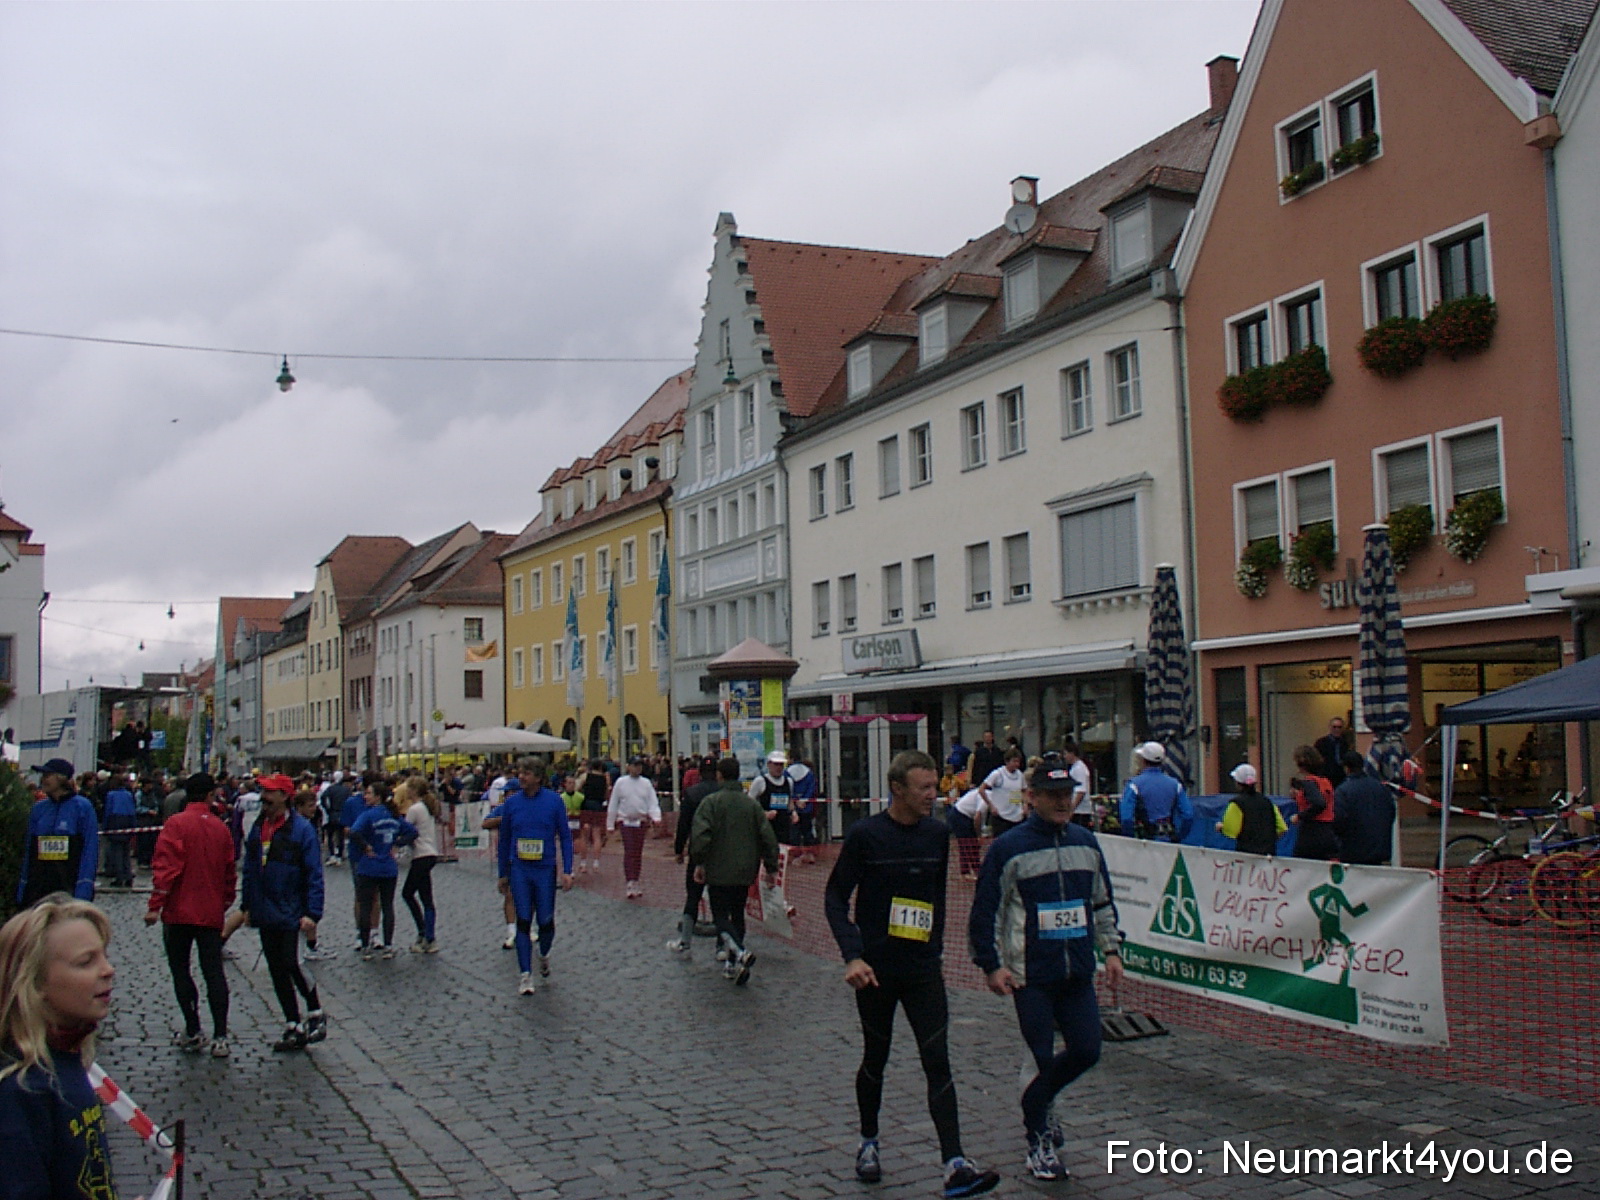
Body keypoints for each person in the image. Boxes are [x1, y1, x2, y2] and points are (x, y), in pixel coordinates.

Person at [823, 749, 999, 1199]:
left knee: (937, 1060)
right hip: (875, 972)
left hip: (922, 969)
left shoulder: (937, 835)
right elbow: (834, 898)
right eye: (924, 787)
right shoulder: (865, 835)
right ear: (897, 789)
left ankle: (954, 1163)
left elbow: (935, 898)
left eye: (935, 785)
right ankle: (868, 1142)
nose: (934, 795)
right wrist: (852, 955)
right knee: (875, 1059)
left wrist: (936, 945)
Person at [969, 754, 1124, 1182]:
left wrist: (1111, 951)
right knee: (1039, 1055)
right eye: (1053, 795)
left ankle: (1041, 1098)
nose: (1062, 803)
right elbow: (987, 911)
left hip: (1077, 970)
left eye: (1068, 795)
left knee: (1087, 1050)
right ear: (1031, 797)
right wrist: (991, 964)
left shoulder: (1085, 842)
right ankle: (1036, 1136)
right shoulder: (1008, 848)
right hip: (1030, 975)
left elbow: (1100, 901)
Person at [0, 896, 121, 1200]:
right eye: (86, 962)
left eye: (104, 956)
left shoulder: (67, 1060)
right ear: (35, 984)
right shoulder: (19, 1090)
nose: (108, 970)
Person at [145, 772, 235, 1059]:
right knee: (213, 972)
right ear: (210, 795)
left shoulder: (177, 824)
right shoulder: (221, 828)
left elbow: (166, 867)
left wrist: (155, 905)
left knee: (181, 970)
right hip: (209, 911)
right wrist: (224, 902)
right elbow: (229, 872)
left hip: (178, 911)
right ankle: (221, 1034)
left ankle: (194, 1028)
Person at [240, 774, 327, 1052]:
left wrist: (312, 912)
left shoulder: (301, 830)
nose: (263, 796)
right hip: (266, 908)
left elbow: (314, 872)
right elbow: (251, 868)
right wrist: (248, 905)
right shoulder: (259, 827)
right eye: (263, 791)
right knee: (276, 968)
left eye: (269, 791)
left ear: (283, 796)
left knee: (291, 963)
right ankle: (292, 1022)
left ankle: (314, 1011)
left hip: (291, 907)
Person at [688, 758, 779, 986]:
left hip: (718, 870)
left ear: (719, 775)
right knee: (738, 914)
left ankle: (739, 951)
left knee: (720, 916)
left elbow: (700, 837)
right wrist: (771, 866)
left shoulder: (711, 803)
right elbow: (768, 837)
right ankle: (731, 964)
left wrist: (699, 863)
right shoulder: (751, 805)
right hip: (745, 869)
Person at [495, 759, 574, 996]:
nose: (522, 777)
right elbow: (505, 839)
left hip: (545, 868)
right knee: (523, 919)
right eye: (520, 772)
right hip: (520, 868)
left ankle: (543, 953)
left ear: (539, 777)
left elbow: (566, 837)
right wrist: (502, 874)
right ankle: (525, 974)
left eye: (527, 773)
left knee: (546, 921)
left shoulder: (554, 801)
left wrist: (567, 870)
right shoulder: (512, 804)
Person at [347, 782, 419, 959]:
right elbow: (412, 832)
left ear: (377, 796)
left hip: (369, 866)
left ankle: (365, 945)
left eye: (369, 793)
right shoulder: (394, 816)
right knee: (388, 906)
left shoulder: (369, 815)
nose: (365, 796)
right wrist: (397, 844)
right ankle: (388, 945)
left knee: (365, 905)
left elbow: (353, 832)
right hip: (388, 867)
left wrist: (366, 846)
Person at [17, 759, 100, 910]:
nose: (43, 780)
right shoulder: (39, 809)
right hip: (39, 890)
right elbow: (29, 851)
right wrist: (23, 889)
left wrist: (84, 890)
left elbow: (89, 851)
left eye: (48, 775)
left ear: (62, 778)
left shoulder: (82, 807)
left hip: (68, 888)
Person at [667, 762, 721, 956]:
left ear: (699, 773)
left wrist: (679, 849)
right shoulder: (723, 793)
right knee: (720, 899)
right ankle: (721, 946)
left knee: (693, 895)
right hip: (720, 853)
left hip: (698, 851)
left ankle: (685, 941)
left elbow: (684, 824)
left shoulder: (691, 794)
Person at [606, 757, 661, 899]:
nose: (637, 768)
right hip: (626, 821)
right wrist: (610, 823)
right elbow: (614, 803)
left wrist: (656, 817)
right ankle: (630, 881)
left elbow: (652, 802)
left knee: (637, 852)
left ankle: (636, 879)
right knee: (630, 851)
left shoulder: (646, 783)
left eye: (639, 766)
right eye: (634, 765)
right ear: (628, 767)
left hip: (641, 822)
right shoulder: (621, 782)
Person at [399, 777, 443, 953]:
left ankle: (425, 933)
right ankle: (428, 935)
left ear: (414, 791)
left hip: (420, 855)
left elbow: (407, 830)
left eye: (409, 788)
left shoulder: (415, 809)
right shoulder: (426, 807)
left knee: (408, 893)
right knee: (426, 897)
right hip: (430, 852)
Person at [1118, 742, 1193, 842]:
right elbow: (1188, 815)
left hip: (1144, 840)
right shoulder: (1175, 785)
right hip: (1168, 839)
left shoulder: (1134, 784)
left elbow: (1126, 818)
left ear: (1143, 760)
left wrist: (1131, 840)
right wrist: (1179, 837)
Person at [1333, 752, 1397, 865]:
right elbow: (1391, 812)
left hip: (1353, 851)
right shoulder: (1381, 787)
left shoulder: (1343, 791)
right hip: (1379, 849)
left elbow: (1339, 820)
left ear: (1347, 768)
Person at [1216, 764, 1285, 856]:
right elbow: (1281, 828)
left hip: (1246, 857)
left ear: (1237, 783)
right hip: (1269, 856)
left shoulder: (1236, 803)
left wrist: (1221, 828)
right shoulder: (1268, 802)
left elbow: (1231, 831)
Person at [1289, 744, 1340, 861]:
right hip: (1328, 831)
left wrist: (1299, 816)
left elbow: (1319, 803)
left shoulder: (1308, 782)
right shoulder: (1325, 782)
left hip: (1311, 833)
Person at [748, 751, 797, 846]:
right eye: (776, 764)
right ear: (769, 764)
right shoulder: (760, 781)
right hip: (765, 829)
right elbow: (749, 804)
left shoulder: (789, 782)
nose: (779, 767)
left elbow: (789, 801)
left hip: (784, 829)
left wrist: (794, 813)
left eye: (781, 764)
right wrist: (764, 814)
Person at [978, 747, 1027, 836]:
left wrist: (1025, 805)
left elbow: (1024, 790)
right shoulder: (997, 774)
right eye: (1014, 761)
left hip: (1016, 815)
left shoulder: (1019, 774)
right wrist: (991, 806)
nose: (1017, 764)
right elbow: (981, 789)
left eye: (1018, 762)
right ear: (1007, 761)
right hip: (1001, 816)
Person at [100, 773, 137, 889]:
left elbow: (108, 811)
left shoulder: (111, 795)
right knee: (126, 851)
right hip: (128, 821)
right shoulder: (128, 794)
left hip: (115, 820)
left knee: (116, 851)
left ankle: (120, 877)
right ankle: (128, 876)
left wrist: (106, 827)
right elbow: (133, 810)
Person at [576, 759, 610, 874]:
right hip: (598, 807)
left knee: (584, 835)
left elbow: (577, 788)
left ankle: (583, 863)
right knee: (597, 836)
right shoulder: (605, 778)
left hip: (586, 805)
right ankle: (596, 863)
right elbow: (606, 794)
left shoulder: (586, 776)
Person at [945, 786, 988, 880]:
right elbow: (978, 817)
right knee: (965, 843)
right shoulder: (987, 797)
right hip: (959, 815)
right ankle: (965, 872)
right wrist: (978, 835)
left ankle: (977, 870)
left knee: (973, 845)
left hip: (967, 816)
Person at [320, 770, 351, 865]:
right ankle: (340, 855)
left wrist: (327, 809)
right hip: (342, 814)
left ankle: (332, 854)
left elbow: (323, 798)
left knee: (330, 835)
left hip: (332, 813)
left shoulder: (330, 789)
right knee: (340, 836)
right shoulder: (346, 790)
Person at [1063, 742, 1094, 828]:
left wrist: (1071, 809)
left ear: (1072, 753)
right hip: (1079, 810)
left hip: (1080, 810)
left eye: (1065, 754)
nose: (1064, 757)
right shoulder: (1075, 768)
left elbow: (1081, 791)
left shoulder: (1079, 769)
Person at [1315, 717, 1350, 782]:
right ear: (1330, 727)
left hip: (1340, 777)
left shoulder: (1344, 744)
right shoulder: (1321, 743)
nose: (1337, 729)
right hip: (1325, 777)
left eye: (1339, 727)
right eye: (1334, 727)